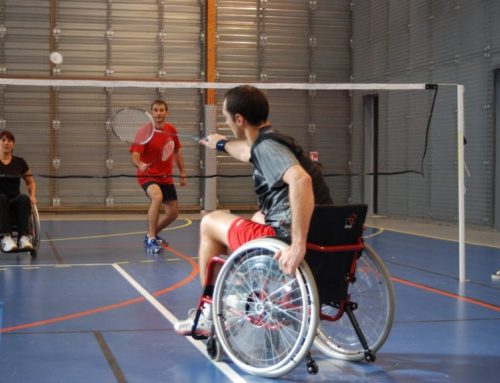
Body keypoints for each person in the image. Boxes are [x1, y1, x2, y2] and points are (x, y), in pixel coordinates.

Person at [174, 85, 332, 336]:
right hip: (324, 234)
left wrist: (298, 244)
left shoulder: (267, 147)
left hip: (288, 238)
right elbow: (248, 152)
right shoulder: (273, 140)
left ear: (239, 119)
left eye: (227, 118)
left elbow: (301, 181)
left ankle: (208, 313)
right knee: (257, 216)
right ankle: (252, 288)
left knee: (210, 222)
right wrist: (221, 143)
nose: (227, 123)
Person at [130, 100, 187, 253]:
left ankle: (153, 233)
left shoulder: (171, 130)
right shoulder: (144, 131)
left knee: (172, 213)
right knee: (157, 196)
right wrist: (140, 164)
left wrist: (182, 172)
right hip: (147, 176)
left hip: (165, 177)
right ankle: (150, 238)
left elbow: (177, 151)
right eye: (155, 110)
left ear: (166, 112)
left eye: (161, 110)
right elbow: (135, 155)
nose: (158, 113)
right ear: (151, 113)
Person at [0, 130, 37, 252]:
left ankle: (23, 238)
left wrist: (32, 195)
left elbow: (30, 182)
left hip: (14, 200)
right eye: (3, 140)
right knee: (1, 198)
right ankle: (6, 238)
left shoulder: (20, 162)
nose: (6, 143)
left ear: (13, 145)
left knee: (24, 198)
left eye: (10, 140)